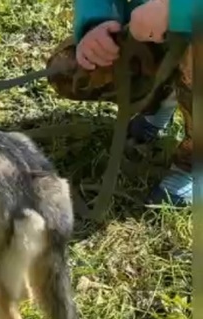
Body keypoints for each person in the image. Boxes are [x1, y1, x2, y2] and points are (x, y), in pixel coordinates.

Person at [47, 0, 193, 206]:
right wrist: (97, 21)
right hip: (150, 26)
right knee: (68, 70)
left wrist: (176, 9)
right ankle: (159, 100)